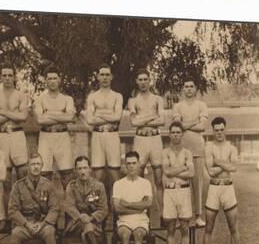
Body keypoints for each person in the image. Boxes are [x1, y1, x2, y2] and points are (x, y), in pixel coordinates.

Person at [201, 117, 247, 244]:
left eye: (221, 129)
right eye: (216, 130)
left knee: (233, 226)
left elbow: (234, 168)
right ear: (213, 131)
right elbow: (210, 171)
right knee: (209, 226)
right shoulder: (208, 147)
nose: (219, 132)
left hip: (228, 188)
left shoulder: (232, 148)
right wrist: (225, 164)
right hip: (214, 188)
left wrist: (218, 162)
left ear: (225, 129)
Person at [7, 152, 60, 244]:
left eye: (38, 164)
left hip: (43, 223)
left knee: (50, 233)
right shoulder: (18, 186)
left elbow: (54, 208)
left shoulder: (49, 185)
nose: (35, 167)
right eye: (32, 164)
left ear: (42, 166)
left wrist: (42, 224)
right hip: (25, 224)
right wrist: (26, 224)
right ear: (27, 166)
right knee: (15, 235)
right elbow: (12, 210)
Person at [0, 64, 30, 209]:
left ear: (14, 77)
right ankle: (8, 217)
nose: (7, 78)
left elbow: (23, 117)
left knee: (23, 177)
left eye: (9, 75)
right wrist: (13, 114)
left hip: (17, 135)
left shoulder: (21, 95)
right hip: (2, 136)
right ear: (0, 77)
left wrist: (2, 112)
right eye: (4, 75)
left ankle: (25, 215)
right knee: (5, 181)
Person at [63, 156, 109, 244]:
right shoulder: (71, 187)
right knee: (85, 227)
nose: (82, 171)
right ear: (75, 171)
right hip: (75, 223)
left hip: (93, 223)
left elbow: (104, 209)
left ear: (90, 169)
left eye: (85, 168)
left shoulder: (99, 186)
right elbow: (69, 206)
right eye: (79, 168)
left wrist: (91, 217)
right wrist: (80, 216)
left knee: (85, 235)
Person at [112, 151, 153, 244]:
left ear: (139, 165)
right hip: (123, 219)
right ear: (125, 166)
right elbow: (117, 208)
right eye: (128, 163)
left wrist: (128, 204)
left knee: (139, 235)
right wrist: (138, 206)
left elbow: (148, 204)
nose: (131, 166)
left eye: (134, 163)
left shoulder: (145, 183)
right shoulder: (118, 184)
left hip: (141, 219)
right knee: (124, 235)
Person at [172, 78, 209, 227]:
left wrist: (186, 125)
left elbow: (202, 127)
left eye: (191, 86)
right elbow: (177, 126)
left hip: (197, 148)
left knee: (197, 183)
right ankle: (181, 216)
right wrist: (194, 121)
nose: (188, 89)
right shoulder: (178, 106)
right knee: (180, 182)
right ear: (183, 89)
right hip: (181, 148)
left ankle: (198, 216)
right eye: (186, 86)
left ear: (195, 89)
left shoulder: (202, 105)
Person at [33, 65, 76, 190]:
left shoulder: (67, 99)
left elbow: (69, 118)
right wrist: (60, 114)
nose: (52, 81)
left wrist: (48, 114)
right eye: (49, 78)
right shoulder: (40, 99)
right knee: (44, 173)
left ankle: (69, 206)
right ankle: (45, 207)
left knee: (67, 173)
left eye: (55, 78)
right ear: (45, 81)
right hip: (45, 136)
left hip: (62, 136)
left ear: (59, 80)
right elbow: (40, 120)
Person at [127, 69, 164, 212]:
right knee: (139, 177)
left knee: (159, 180)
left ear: (150, 80)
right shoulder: (132, 101)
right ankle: (142, 214)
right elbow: (133, 123)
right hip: (140, 139)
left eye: (145, 79)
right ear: (137, 81)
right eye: (140, 80)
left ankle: (162, 214)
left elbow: (162, 120)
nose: (143, 82)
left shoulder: (158, 99)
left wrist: (142, 119)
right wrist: (151, 117)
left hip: (155, 139)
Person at [162, 122, 196, 244]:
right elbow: (166, 172)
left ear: (182, 134)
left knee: (184, 227)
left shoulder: (187, 153)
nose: (175, 135)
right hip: (169, 192)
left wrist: (174, 171)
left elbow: (191, 174)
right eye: (173, 132)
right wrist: (183, 167)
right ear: (169, 134)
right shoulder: (165, 152)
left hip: (184, 191)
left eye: (178, 132)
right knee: (170, 228)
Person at [84, 64, 123, 196]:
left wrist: (99, 115)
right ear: (97, 77)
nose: (105, 77)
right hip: (97, 135)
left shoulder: (117, 96)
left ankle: (116, 211)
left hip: (112, 135)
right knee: (98, 175)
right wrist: (109, 117)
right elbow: (90, 119)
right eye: (102, 75)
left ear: (111, 77)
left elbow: (117, 117)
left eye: (107, 75)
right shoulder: (92, 97)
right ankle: (100, 210)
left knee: (114, 174)